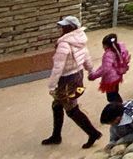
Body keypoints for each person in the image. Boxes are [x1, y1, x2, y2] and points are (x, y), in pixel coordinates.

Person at [42, 16, 103, 148]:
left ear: (70, 28)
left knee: (71, 109)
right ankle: (56, 135)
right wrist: (90, 71)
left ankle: (93, 133)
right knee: (57, 104)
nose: (61, 29)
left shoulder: (64, 44)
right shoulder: (80, 39)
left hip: (66, 80)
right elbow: (86, 56)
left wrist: (52, 85)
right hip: (77, 76)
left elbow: (58, 67)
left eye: (63, 26)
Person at [88, 32, 131, 103]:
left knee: (111, 97)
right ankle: (120, 106)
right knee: (115, 93)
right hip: (117, 76)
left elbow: (105, 69)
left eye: (103, 45)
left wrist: (93, 76)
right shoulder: (119, 49)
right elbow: (104, 66)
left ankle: (118, 108)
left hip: (110, 79)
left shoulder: (108, 54)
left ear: (107, 45)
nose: (103, 47)